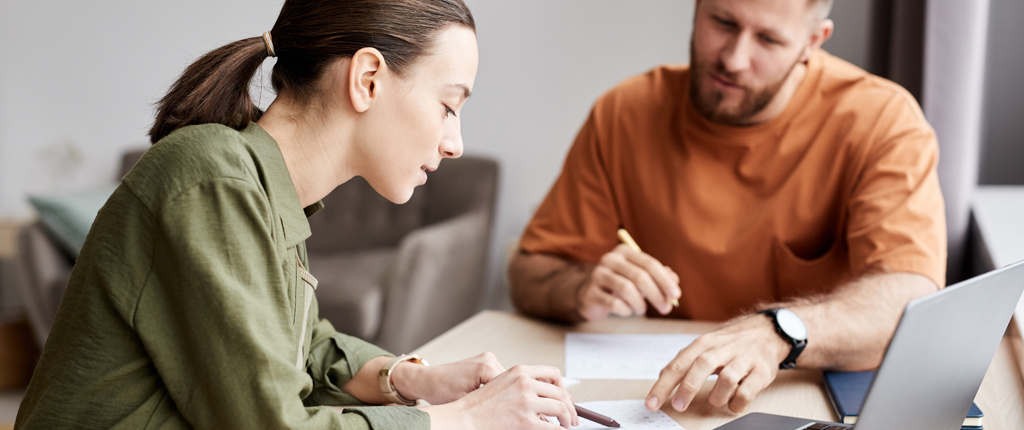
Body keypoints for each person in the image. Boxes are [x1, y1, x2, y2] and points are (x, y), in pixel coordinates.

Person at [15, 1, 578, 429]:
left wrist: (417, 381)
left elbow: (303, 347)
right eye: (449, 106)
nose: (455, 142)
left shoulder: (269, 188)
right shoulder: (213, 178)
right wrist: (461, 418)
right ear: (368, 79)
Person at [508, 0, 945, 416]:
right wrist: (581, 287)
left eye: (769, 40)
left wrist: (779, 330)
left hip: (810, 397)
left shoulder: (883, 121)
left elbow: (910, 299)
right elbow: (530, 273)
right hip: (679, 399)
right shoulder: (625, 112)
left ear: (814, 40)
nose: (734, 59)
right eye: (724, 23)